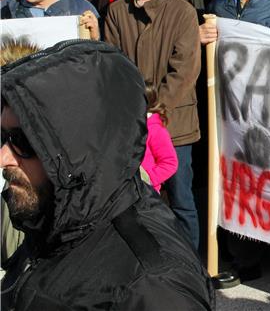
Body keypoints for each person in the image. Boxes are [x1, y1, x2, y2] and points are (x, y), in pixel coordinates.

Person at [0, 40, 214, 309]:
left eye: (23, 140)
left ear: (75, 147)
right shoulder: (55, 220)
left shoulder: (153, 286)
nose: (3, 158)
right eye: (3, 137)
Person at [103, 0, 202, 250]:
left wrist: (156, 108)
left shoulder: (183, 13)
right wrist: (132, 108)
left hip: (174, 121)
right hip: (130, 120)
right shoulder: (118, 11)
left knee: (181, 197)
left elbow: (184, 68)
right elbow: (112, 63)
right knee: (135, 197)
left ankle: (191, 264)